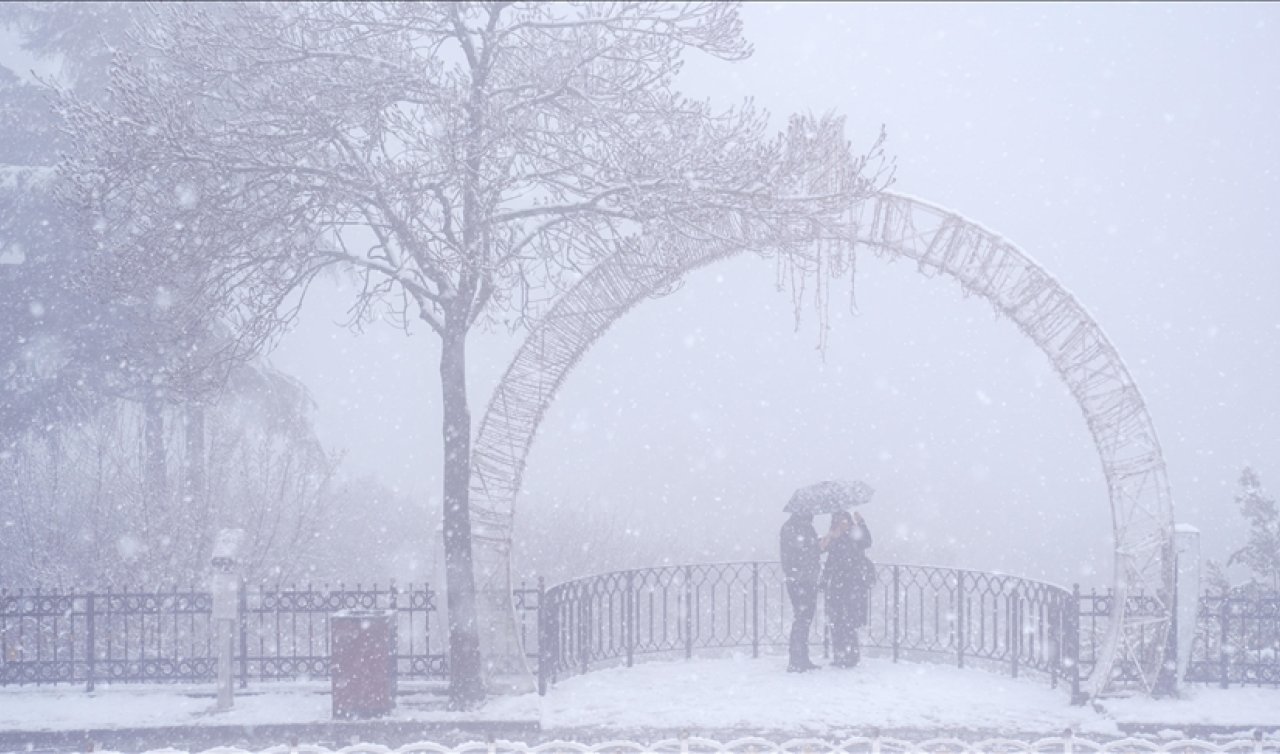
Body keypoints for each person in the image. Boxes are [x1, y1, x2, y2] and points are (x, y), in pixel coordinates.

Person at [821, 509, 874, 668]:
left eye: (845, 521)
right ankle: (840, 656)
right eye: (839, 521)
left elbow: (867, 542)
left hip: (852, 584)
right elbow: (828, 557)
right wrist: (824, 580)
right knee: (837, 621)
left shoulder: (855, 534)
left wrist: (862, 523)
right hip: (838, 584)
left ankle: (851, 656)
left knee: (849, 621)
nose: (843, 524)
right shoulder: (835, 538)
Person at [780, 511, 822, 672]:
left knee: (804, 618)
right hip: (801, 579)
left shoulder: (800, 527)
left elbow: (808, 549)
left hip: (804, 578)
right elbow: (803, 551)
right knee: (802, 618)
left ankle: (801, 658)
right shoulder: (794, 528)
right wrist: (818, 546)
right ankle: (797, 660)